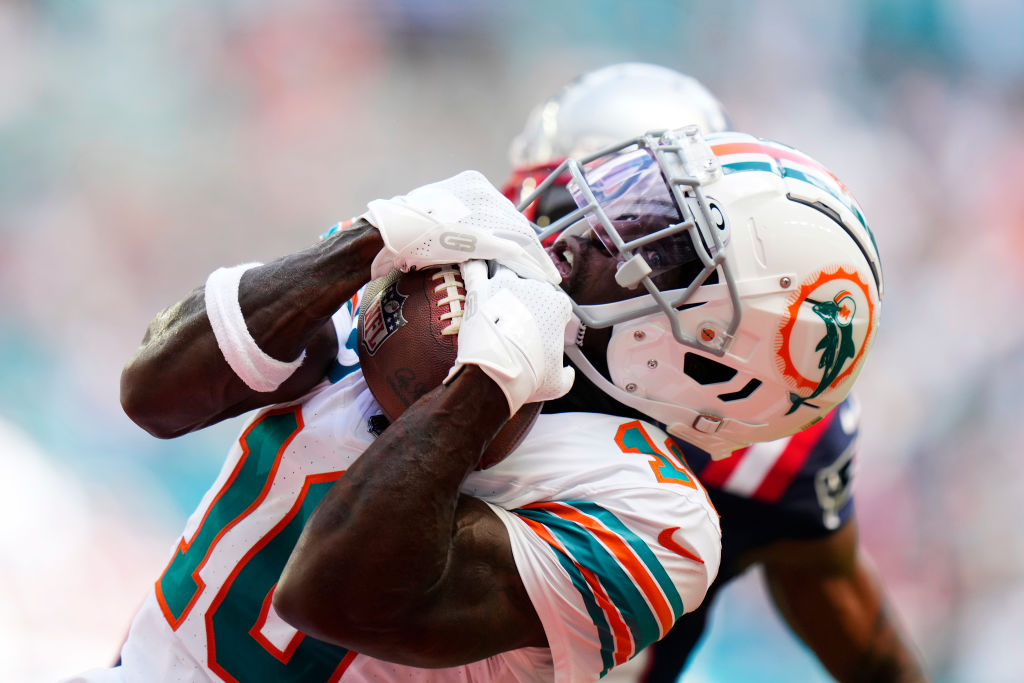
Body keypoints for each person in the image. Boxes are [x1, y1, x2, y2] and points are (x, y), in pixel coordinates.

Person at [71, 119, 880, 682]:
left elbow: (331, 594)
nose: (598, 223)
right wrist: (367, 241)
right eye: (641, 195)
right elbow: (154, 395)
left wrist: (486, 383)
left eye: (665, 242)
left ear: (716, 365)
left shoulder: (659, 519)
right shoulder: (464, 282)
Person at [502, 62, 926, 682]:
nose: (570, 245)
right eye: (582, 208)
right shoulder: (461, 327)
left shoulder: (765, 432)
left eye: (636, 222)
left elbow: (835, 600)